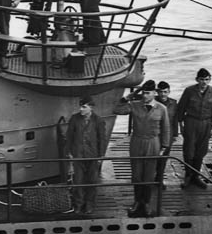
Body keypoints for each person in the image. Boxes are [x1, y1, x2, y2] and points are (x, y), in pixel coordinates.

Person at [113, 80, 170, 217]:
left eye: (147, 93)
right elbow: (116, 109)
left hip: (153, 142)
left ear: (154, 93)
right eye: (143, 92)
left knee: (149, 175)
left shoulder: (162, 108)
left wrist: (164, 146)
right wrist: (131, 95)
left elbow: (166, 128)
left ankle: (147, 203)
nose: (145, 95)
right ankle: (137, 201)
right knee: (137, 175)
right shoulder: (134, 105)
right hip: (137, 141)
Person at [177, 68, 212, 189]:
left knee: (201, 150)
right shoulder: (189, 91)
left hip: (206, 123)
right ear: (197, 79)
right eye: (201, 79)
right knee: (189, 150)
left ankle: (196, 175)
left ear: (210, 79)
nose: (204, 82)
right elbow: (181, 108)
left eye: (206, 79)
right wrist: (181, 125)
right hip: (191, 122)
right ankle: (188, 175)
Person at [66, 96, 106, 214]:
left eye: (84, 107)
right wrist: (69, 153)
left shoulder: (98, 121)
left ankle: (89, 204)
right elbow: (69, 137)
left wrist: (101, 156)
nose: (81, 109)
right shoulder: (74, 119)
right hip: (78, 155)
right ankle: (78, 204)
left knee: (92, 181)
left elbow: (102, 139)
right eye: (80, 106)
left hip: (92, 155)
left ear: (91, 107)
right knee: (78, 181)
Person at [155, 81, 178, 189]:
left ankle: (159, 179)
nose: (163, 94)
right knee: (152, 158)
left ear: (169, 92)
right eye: (160, 92)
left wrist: (175, 135)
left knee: (163, 159)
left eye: (165, 92)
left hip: (168, 135)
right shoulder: (152, 102)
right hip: (155, 134)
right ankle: (150, 179)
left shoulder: (173, 103)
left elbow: (175, 120)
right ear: (157, 92)